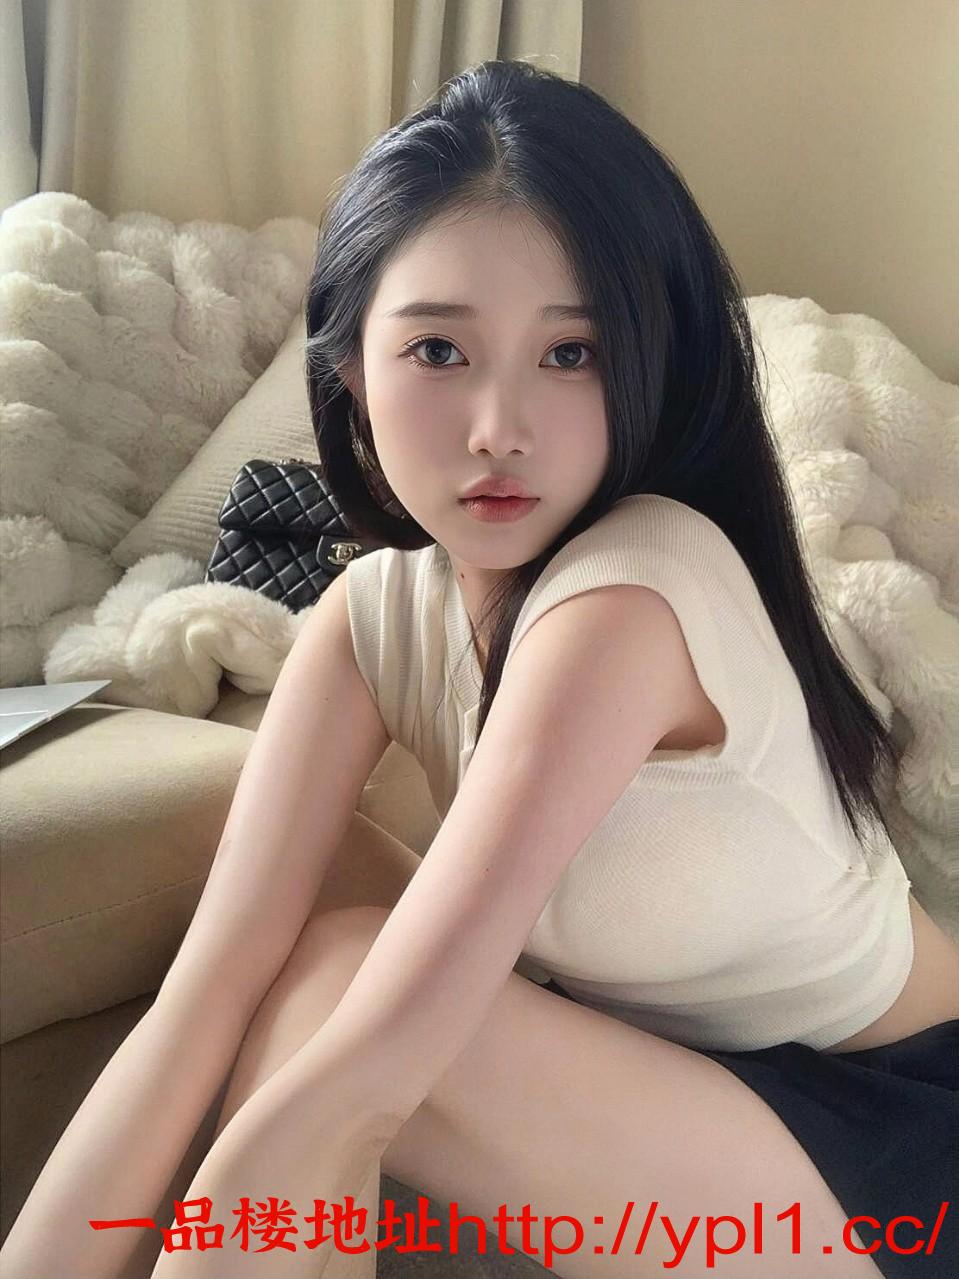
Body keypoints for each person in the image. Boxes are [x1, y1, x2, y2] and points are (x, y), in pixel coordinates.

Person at [4, 58, 957, 1279]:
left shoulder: (633, 592)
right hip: (665, 1085)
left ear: (648, 363)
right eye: (439, 350)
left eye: (570, 354)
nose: (499, 426)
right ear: (351, 370)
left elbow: (357, 1089)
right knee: (316, 967)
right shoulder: (368, 619)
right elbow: (207, 992)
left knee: (342, 1034)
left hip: (894, 1141)